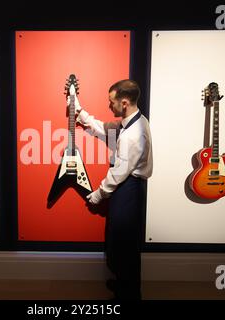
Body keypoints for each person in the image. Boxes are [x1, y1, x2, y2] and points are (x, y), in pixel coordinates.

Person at [69, 79, 153, 300]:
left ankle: (129, 296)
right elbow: (105, 128)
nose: (109, 106)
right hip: (126, 189)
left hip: (129, 189)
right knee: (119, 241)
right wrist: (78, 110)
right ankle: (123, 284)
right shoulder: (132, 121)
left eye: (112, 102)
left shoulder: (135, 134)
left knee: (125, 245)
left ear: (124, 103)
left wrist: (98, 193)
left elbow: (119, 172)